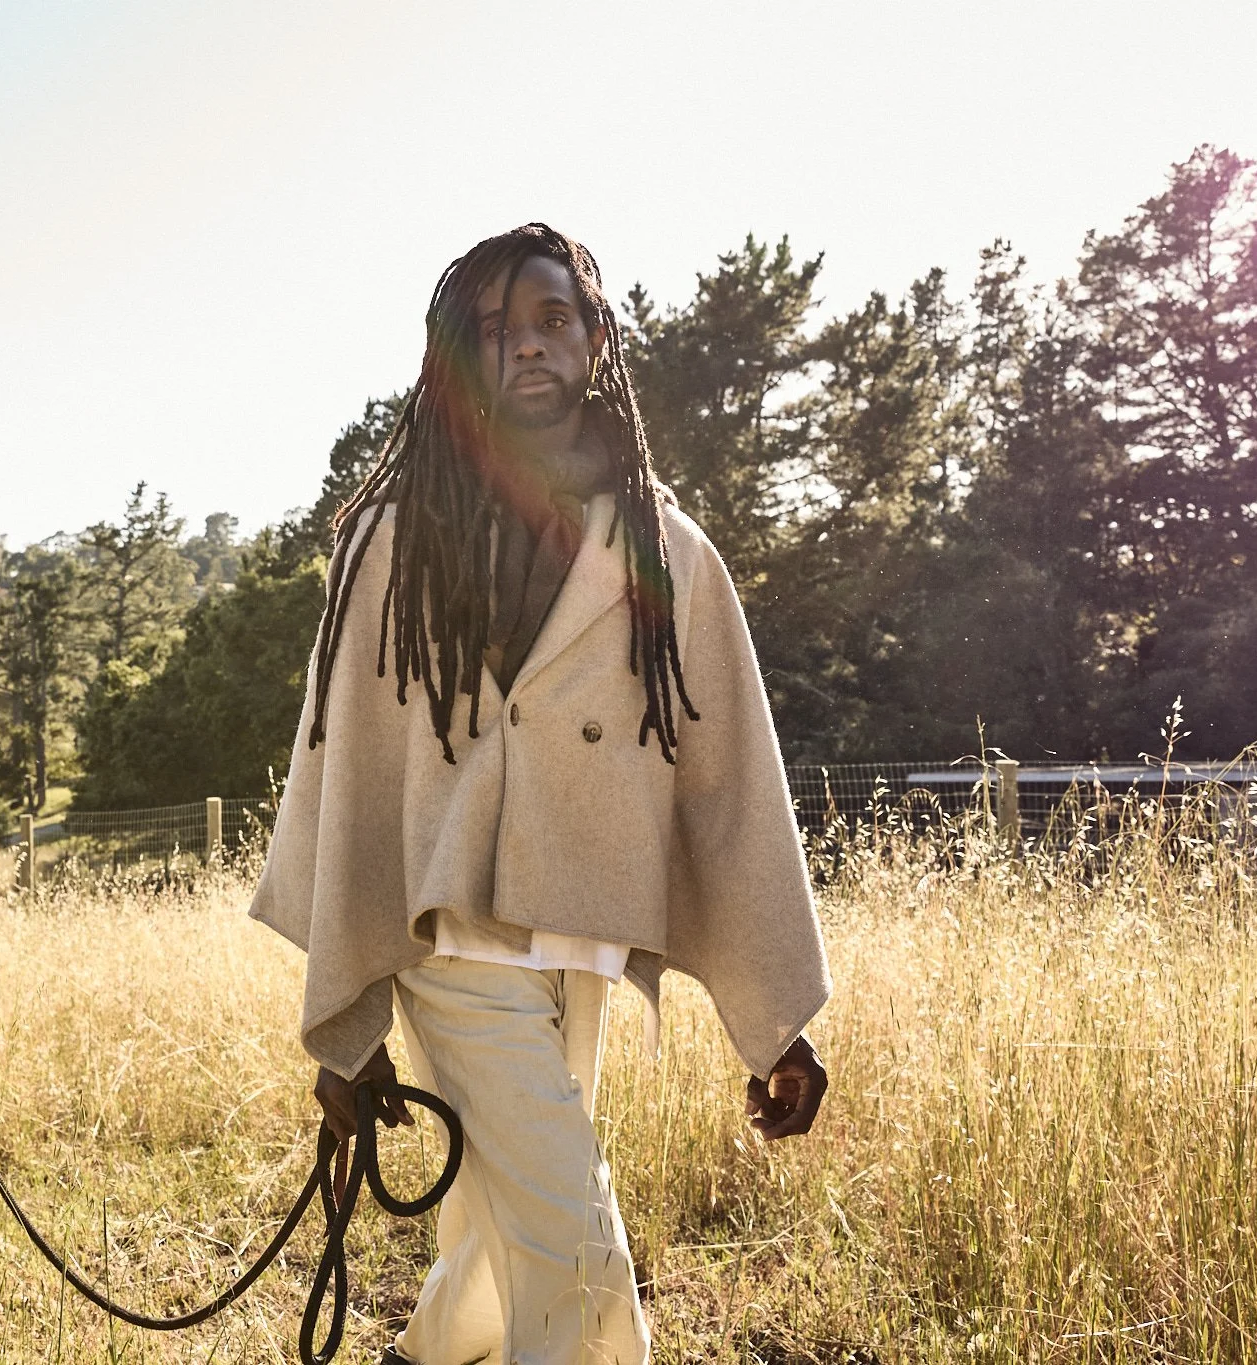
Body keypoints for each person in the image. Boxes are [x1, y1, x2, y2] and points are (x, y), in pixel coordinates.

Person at [249, 223, 831, 1364]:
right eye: (491, 332)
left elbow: (730, 792)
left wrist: (778, 1024)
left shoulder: (668, 553)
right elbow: (344, 774)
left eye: (550, 320)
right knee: (576, 1256)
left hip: (582, 947)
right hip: (448, 943)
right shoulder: (388, 546)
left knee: (495, 1230)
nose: (522, 347)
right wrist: (345, 1023)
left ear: (598, 338)